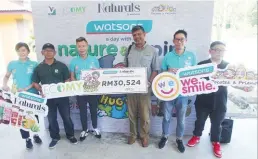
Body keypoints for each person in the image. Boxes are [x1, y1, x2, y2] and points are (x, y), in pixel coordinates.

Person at [187, 41, 252, 158]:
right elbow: (191, 80)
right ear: (210, 51)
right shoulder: (202, 65)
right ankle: (196, 136)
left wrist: (244, 87)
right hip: (203, 100)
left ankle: (216, 142)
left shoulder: (229, 67)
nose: (219, 52)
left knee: (217, 124)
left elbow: (234, 82)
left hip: (220, 101)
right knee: (200, 121)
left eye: (222, 50)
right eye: (216, 49)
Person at [32, 43, 77, 148]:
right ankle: (55, 137)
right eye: (46, 50)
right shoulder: (39, 68)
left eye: (51, 50)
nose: (48, 52)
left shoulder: (62, 66)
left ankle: (70, 135)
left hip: (62, 98)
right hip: (48, 99)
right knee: (52, 118)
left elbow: (67, 80)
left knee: (66, 117)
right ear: (42, 52)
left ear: (54, 52)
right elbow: (35, 83)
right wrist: (41, 90)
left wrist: (66, 89)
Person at [159, 30, 197, 152]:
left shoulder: (191, 56)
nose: (179, 41)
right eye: (177, 39)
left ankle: (179, 139)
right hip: (169, 92)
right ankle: (164, 136)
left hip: (183, 94)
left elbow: (195, 74)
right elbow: (162, 74)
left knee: (181, 119)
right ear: (173, 41)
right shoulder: (168, 56)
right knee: (166, 117)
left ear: (186, 41)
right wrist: (168, 72)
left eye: (182, 39)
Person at [2, 42, 42, 149]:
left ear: (28, 51)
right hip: (18, 96)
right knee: (22, 117)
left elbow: (37, 79)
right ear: (17, 52)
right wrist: (4, 85)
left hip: (32, 94)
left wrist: (26, 89)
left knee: (34, 116)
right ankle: (27, 139)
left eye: (24, 50)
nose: (22, 52)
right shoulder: (12, 64)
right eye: (19, 50)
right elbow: (6, 76)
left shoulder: (34, 64)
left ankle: (36, 135)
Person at [125, 25, 160, 147]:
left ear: (144, 34)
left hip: (145, 89)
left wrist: (149, 82)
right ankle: (133, 135)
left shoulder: (152, 50)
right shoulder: (129, 49)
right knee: (131, 114)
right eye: (134, 35)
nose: (137, 37)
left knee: (145, 115)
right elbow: (125, 68)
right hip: (130, 89)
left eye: (139, 34)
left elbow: (155, 70)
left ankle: (144, 136)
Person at [69, 37, 101, 141]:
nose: (81, 48)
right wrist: (76, 86)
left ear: (87, 46)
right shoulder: (74, 61)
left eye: (83, 46)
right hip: (80, 91)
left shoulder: (94, 59)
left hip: (92, 90)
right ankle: (84, 130)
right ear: (76, 47)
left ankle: (95, 128)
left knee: (93, 110)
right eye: (79, 46)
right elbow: (72, 76)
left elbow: (98, 73)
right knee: (82, 111)